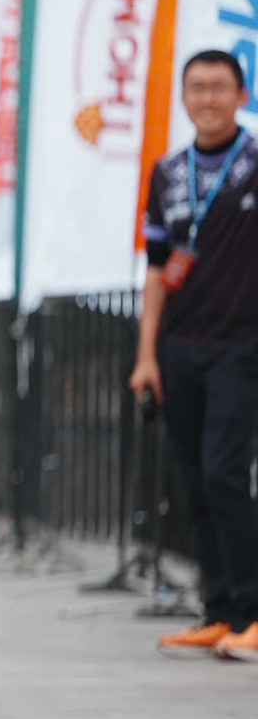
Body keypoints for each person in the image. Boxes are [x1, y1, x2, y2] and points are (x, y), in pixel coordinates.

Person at [131, 49, 258, 661]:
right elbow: (157, 269)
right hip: (180, 349)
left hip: (242, 346)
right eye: (197, 87)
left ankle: (253, 612)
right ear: (183, 98)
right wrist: (146, 354)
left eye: (219, 87)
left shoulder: (255, 165)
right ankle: (221, 610)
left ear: (242, 96)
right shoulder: (167, 172)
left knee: (225, 474)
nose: (207, 98)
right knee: (196, 483)